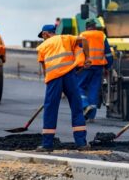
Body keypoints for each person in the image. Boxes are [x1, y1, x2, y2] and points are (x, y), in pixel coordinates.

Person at [36, 24, 92, 152]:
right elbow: (84, 40)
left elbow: (45, 69)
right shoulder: (65, 38)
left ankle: (47, 144)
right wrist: (87, 57)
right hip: (69, 75)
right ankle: (81, 143)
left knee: (50, 109)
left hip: (54, 78)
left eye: (43, 36)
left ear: (45, 34)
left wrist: (51, 87)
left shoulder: (42, 47)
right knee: (77, 107)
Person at [78, 19, 113, 122]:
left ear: (86, 27)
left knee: (79, 86)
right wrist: (108, 67)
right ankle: (91, 117)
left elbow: (78, 51)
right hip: (98, 67)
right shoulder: (101, 35)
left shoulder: (82, 35)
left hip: (85, 66)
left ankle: (85, 105)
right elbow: (108, 54)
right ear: (95, 26)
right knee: (94, 89)